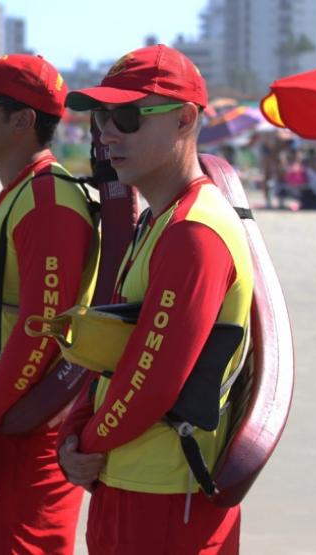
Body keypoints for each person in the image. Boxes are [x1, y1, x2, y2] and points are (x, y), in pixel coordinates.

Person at [56, 44, 253, 554]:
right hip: (130, 477)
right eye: (100, 117)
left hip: (168, 494)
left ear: (185, 119)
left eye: (126, 116)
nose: (106, 133)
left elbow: (152, 381)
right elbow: (119, 350)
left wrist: (86, 446)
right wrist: (78, 432)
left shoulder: (194, 232)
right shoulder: (157, 219)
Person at [0, 53, 100, 555]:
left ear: (23, 121)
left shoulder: (48, 204)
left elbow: (41, 330)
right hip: (2, 425)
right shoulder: (25, 193)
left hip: (28, 437)